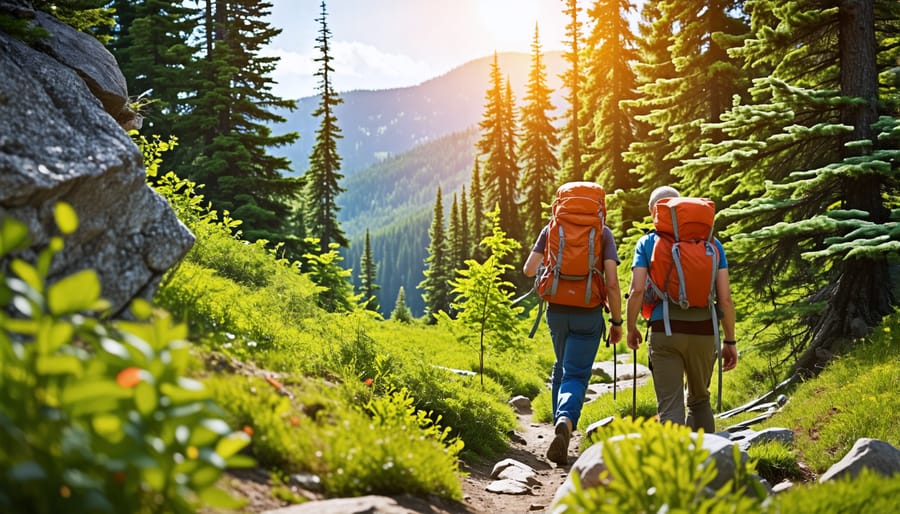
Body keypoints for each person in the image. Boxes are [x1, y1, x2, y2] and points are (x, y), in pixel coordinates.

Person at [624, 186, 738, 432]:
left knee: (670, 405)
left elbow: (637, 291)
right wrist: (730, 340)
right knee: (700, 400)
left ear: (655, 211)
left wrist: (630, 327)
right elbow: (725, 300)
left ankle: (674, 467)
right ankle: (706, 464)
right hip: (705, 332)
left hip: (665, 331)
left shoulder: (647, 242)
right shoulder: (712, 244)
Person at [523, 215, 623, 465]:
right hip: (588, 312)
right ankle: (565, 420)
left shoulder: (551, 228)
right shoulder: (603, 233)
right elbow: (611, 282)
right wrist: (617, 321)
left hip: (556, 310)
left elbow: (528, 269)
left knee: (562, 366)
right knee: (576, 374)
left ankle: (559, 426)